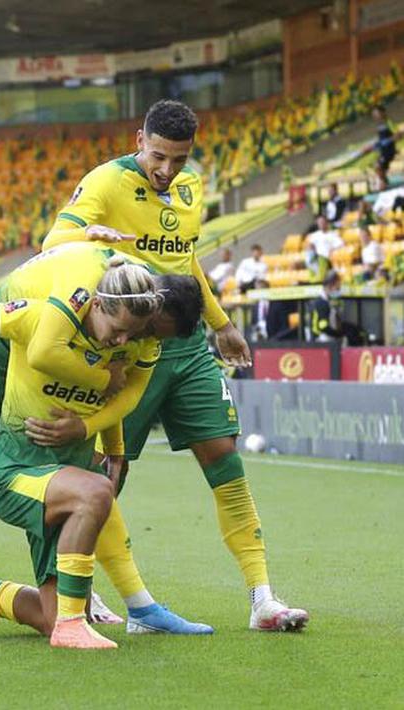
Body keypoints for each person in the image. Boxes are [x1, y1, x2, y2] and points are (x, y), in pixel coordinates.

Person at [36, 99, 308, 631]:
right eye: (158, 156)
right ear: (140, 140)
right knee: (105, 473)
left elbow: (184, 260)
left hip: (184, 346)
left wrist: (220, 322)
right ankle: (82, 591)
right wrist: (92, 236)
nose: (166, 169)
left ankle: (262, 598)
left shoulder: (191, 188)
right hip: (129, 347)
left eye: (178, 159)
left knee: (224, 457)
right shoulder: (106, 181)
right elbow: (53, 241)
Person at [0, 242, 210, 647]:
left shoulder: (133, 328)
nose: (133, 341)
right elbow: (46, 352)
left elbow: (124, 395)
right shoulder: (66, 304)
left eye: (144, 333)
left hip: (50, 451)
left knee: (93, 490)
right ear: (101, 304)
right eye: (140, 331)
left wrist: (105, 440)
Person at [0, 264, 170, 650]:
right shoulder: (41, 319)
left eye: (132, 332)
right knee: (97, 491)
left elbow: (119, 402)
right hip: (16, 474)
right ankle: (72, 627)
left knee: (48, 617)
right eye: (118, 329)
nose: (123, 339)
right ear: (97, 304)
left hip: (65, 485)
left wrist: (103, 441)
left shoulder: (127, 347)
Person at [309, 271, 364, 345]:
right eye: (337, 288)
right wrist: (339, 334)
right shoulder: (321, 303)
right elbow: (323, 327)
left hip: (328, 340)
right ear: (330, 286)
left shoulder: (328, 301)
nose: (339, 291)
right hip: (321, 342)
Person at [305, 214, 344, 280]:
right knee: (308, 255)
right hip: (316, 258)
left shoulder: (332, 234)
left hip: (327, 258)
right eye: (319, 223)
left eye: (323, 222)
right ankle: (313, 278)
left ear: (327, 223)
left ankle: (320, 278)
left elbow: (341, 244)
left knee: (320, 258)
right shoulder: (315, 235)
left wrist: (333, 249)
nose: (321, 224)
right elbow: (309, 246)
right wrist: (311, 247)